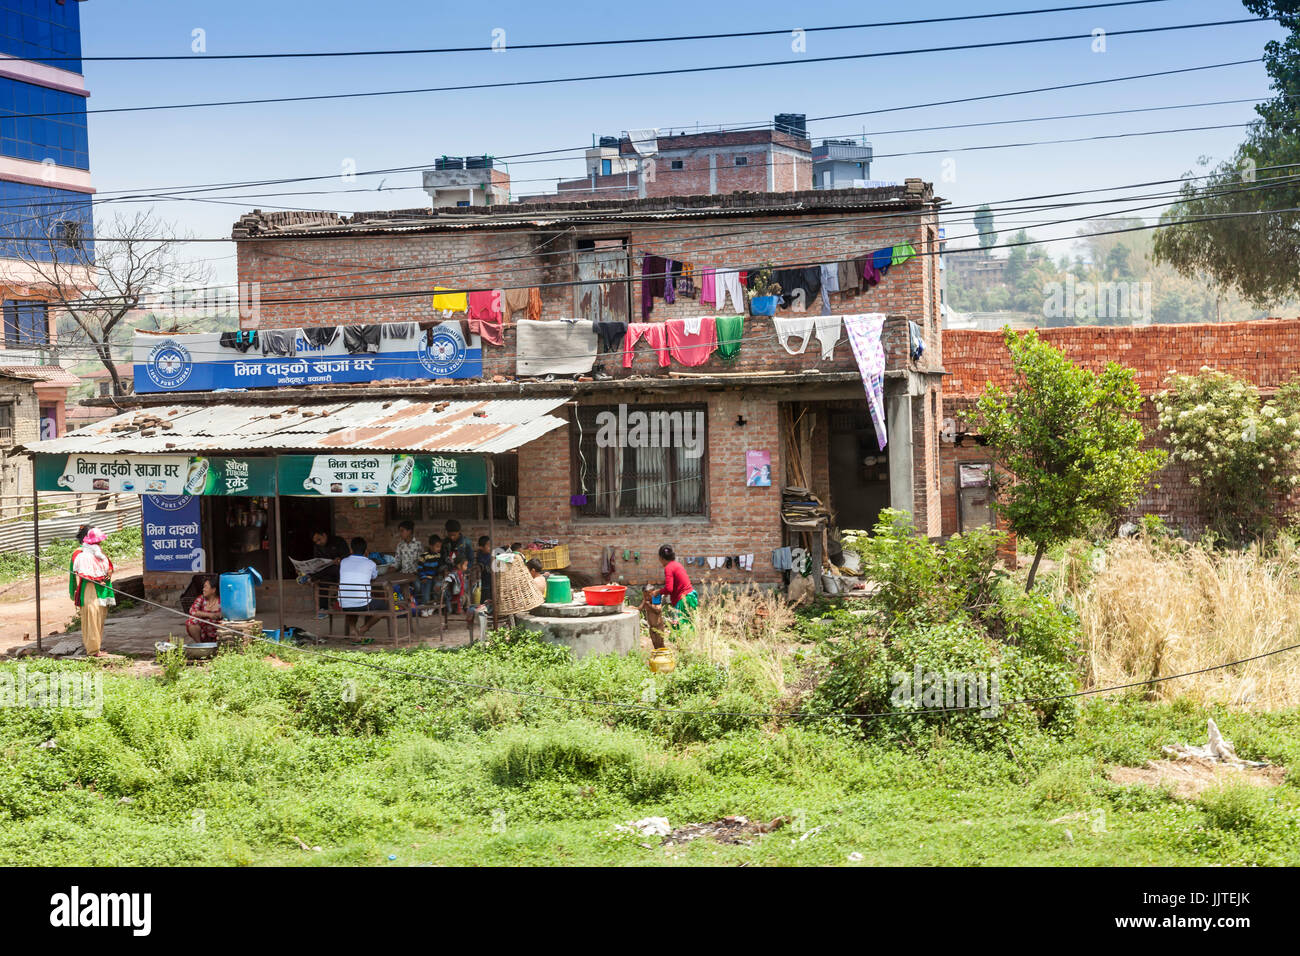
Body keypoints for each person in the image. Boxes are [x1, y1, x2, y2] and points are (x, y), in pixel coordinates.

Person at [69, 527, 114, 657]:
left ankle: (97, 648)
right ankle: (93, 650)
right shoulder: (79, 554)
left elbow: (108, 565)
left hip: (102, 589)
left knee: (99, 617)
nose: (100, 544)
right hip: (88, 589)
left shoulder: (98, 551)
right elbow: (78, 574)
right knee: (92, 618)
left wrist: (108, 573)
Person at [338, 537, 386, 636]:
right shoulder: (370, 563)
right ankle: (364, 628)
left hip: (344, 603)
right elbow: (374, 577)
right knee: (384, 608)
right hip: (363, 603)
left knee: (352, 605)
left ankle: (352, 629)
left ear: (351, 550)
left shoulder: (343, 561)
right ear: (366, 551)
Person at [301, 529, 349, 612]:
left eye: (319, 540)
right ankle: (323, 609)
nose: (318, 543)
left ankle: (310, 577)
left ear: (324, 535)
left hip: (341, 573)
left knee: (333, 569)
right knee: (322, 582)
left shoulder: (338, 541)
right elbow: (317, 561)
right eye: (316, 542)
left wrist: (340, 559)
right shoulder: (317, 547)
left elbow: (347, 555)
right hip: (326, 574)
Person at [648, 544, 696, 628]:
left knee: (679, 628)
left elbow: (669, 589)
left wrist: (658, 592)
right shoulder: (677, 564)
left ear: (661, 558)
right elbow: (675, 585)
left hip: (683, 599)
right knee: (689, 625)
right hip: (691, 596)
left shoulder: (668, 568)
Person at [392, 520, 423, 609]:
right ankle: (402, 606)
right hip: (403, 574)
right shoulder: (400, 545)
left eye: (402, 531)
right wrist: (390, 569)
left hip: (415, 574)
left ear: (409, 531)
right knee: (395, 586)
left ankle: (417, 605)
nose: (400, 533)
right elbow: (397, 562)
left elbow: (421, 562)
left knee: (418, 586)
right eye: (400, 531)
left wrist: (416, 573)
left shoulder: (418, 545)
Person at [185, 575, 222, 642]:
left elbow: (228, 614)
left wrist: (220, 615)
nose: (203, 589)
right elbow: (192, 611)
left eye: (206, 587)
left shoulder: (221, 601)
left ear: (213, 590)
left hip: (217, 631)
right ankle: (200, 644)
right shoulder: (201, 598)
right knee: (192, 621)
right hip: (204, 631)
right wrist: (210, 615)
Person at [416, 534, 446, 608]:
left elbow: (440, 567)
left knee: (438, 590)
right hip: (426, 578)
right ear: (431, 546)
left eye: (440, 547)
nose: (439, 548)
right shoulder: (424, 556)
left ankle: (433, 607)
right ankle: (424, 608)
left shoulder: (438, 555)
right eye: (437, 546)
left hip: (435, 578)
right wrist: (423, 577)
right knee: (426, 595)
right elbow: (420, 568)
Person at [475, 535, 493, 601]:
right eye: (488, 545)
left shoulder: (490, 554)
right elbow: (483, 564)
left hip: (492, 581)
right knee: (486, 599)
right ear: (481, 547)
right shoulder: (480, 555)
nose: (490, 547)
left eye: (490, 545)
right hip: (485, 583)